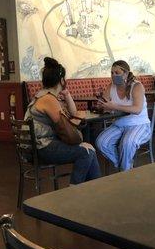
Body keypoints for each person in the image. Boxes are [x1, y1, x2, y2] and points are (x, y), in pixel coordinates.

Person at [24, 57, 101, 185]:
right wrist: (80, 143)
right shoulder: (49, 100)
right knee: (86, 152)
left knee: (89, 150)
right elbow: (66, 131)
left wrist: (67, 94)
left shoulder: (43, 96)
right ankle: (75, 192)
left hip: (37, 147)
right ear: (61, 80)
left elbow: (72, 114)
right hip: (42, 149)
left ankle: (93, 190)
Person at [95, 60, 152, 171]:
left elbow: (137, 109)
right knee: (101, 142)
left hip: (139, 124)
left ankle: (124, 171)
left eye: (117, 73)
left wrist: (114, 106)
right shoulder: (111, 86)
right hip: (119, 124)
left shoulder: (137, 86)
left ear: (125, 74)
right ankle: (123, 168)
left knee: (127, 143)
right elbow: (105, 104)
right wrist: (101, 105)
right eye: (112, 73)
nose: (113, 75)